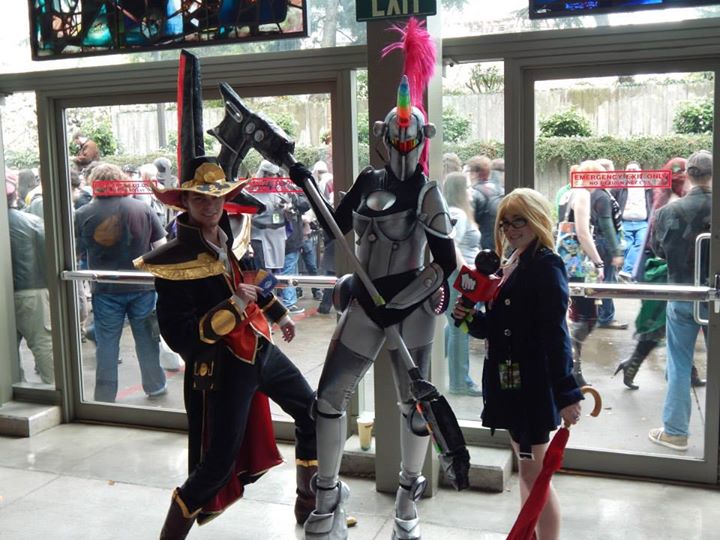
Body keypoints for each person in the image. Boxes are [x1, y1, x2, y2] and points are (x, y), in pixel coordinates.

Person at [289, 66, 457, 538]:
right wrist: (306, 184)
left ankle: (407, 493)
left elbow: (444, 263)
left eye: (411, 141)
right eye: (397, 140)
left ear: (423, 139)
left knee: (414, 406)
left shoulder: (427, 193)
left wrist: (400, 304)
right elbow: (333, 225)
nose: (404, 149)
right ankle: (327, 493)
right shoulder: (366, 180)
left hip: (412, 309)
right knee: (328, 399)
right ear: (384, 137)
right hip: (365, 303)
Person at [134, 160, 317, 538]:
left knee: (312, 413)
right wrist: (234, 305)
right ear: (185, 201)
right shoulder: (173, 261)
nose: (210, 205)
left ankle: (309, 502)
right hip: (223, 368)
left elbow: (250, 281)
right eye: (201, 198)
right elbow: (180, 336)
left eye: (216, 197)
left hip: (260, 349)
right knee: (216, 465)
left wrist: (279, 314)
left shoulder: (227, 236)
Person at [453, 188, 583, 540]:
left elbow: (555, 334)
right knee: (529, 474)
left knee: (534, 476)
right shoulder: (511, 262)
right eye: (505, 223)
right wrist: (467, 318)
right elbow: (496, 328)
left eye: (518, 221)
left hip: (532, 388)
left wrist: (567, 393)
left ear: (537, 220)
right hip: (509, 384)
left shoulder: (545, 265)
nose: (510, 230)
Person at [74, 163, 168, 402]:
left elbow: (75, 253)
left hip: (105, 289)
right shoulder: (142, 208)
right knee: (147, 340)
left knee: (107, 344)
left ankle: (105, 396)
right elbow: (162, 247)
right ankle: (155, 386)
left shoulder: (83, 213)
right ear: (120, 180)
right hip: (143, 286)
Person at [613, 157, 700, 389]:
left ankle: (687, 372)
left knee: (672, 325)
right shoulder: (675, 200)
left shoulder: (665, 197)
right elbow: (661, 244)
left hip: (660, 270)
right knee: (661, 325)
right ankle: (632, 365)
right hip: (663, 271)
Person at [648, 150, 712, 452]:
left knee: (679, 363)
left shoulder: (667, 212)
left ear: (687, 175)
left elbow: (658, 251)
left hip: (681, 295)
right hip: (716, 298)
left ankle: (675, 432)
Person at [6, 177, 54, 385]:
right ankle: (53, 387)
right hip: (33, 290)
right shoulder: (32, 222)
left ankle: (14, 387)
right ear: (15, 196)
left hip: (8, 292)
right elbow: (48, 257)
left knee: (6, 349)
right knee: (42, 343)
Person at [565, 160, 607, 387]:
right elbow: (582, 232)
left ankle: (574, 369)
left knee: (581, 314)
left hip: (570, 262)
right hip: (577, 264)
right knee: (587, 316)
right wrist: (598, 262)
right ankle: (573, 369)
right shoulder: (582, 194)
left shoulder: (570, 192)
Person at [442, 171, 481, 396]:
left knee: (454, 325)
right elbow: (452, 244)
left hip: (460, 278)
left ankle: (437, 368)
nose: (470, 191)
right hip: (461, 279)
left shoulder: (457, 212)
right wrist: (466, 273)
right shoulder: (458, 213)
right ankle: (460, 382)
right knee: (460, 328)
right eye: (466, 187)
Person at [612, 161, 654, 282]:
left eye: (634, 170)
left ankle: (626, 271)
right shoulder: (620, 187)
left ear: (640, 172)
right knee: (627, 246)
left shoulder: (648, 187)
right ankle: (627, 275)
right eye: (629, 170)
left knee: (640, 243)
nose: (631, 173)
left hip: (642, 223)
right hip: (625, 223)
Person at [467, 154, 503, 250]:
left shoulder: (474, 193)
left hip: (482, 244)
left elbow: (470, 222)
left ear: (475, 173)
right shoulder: (500, 190)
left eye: (470, 171)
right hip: (500, 241)